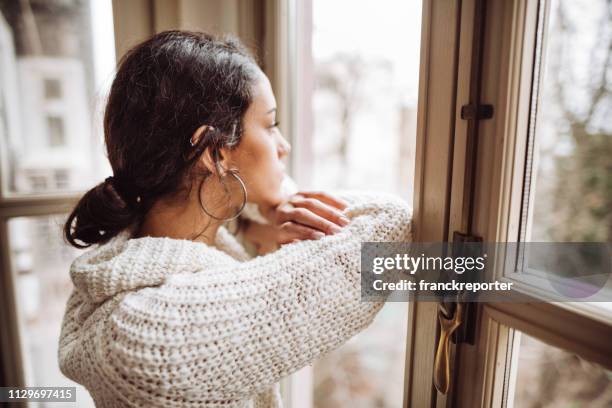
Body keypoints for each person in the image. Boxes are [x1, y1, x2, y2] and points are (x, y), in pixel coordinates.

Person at [58, 30, 412, 407]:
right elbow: (391, 223)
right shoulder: (154, 331)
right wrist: (286, 200)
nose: (283, 146)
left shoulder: (127, 264)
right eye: (270, 125)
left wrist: (255, 214)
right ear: (216, 153)